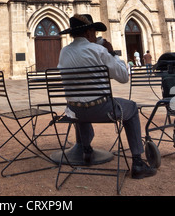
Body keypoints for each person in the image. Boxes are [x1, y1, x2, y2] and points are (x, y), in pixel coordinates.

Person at [58, 13, 157, 179]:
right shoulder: (99, 50)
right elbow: (124, 77)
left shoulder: (64, 52)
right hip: (101, 109)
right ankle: (138, 163)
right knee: (131, 107)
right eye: (94, 32)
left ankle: (86, 149)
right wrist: (111, 53)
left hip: (73, 112)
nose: (96, 35)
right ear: (89, 33)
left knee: (81, 104)